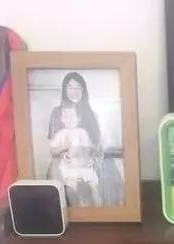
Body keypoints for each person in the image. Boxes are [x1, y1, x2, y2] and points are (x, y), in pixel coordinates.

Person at [46, 72, 123, 207]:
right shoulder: (57, 112)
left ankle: (108, 212)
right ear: (64, 90)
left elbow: (97, 144)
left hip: (88, 160)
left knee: (108, 174)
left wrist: (91, 157)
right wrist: (65, 151)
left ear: (83, 90)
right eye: (70, 87)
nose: (74, 91)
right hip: (66, 160)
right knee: (66, 181)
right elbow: (52, 146)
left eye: (78, 87)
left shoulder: (91, 114)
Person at [49, 105, 101, 207]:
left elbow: (89, 149)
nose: (70, 119)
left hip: (85, 166)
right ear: (62, 119)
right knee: (71, 187)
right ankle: (77, 208)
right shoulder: (61, 134)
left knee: (94, 186)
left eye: (73, 116)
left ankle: (99, 210)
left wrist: (91, 157)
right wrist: (63, 147)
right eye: (66, 116)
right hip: (70, 167)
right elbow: (53, 151)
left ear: (79, 118)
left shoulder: (82, 132)